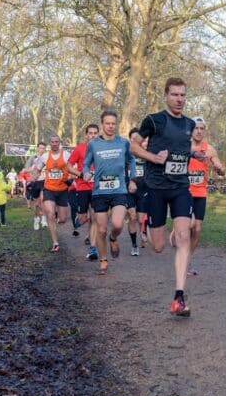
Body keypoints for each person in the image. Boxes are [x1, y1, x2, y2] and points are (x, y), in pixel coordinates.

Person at [131, 77, 197, 317]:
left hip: (180, 187)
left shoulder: (189, 124)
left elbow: (182, 149)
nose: (179, 99)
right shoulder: (153, 120)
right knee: (158, 247)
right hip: (156, 187)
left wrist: (195, 155)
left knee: (184, 236)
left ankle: (179, 296)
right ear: (166, 96)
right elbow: (133, 146)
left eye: (183, 95)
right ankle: (146, 224)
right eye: (175, 95)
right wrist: (153, 158)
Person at [83, 110, 136, 275]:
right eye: (107, 123)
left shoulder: (123, 142)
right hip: (99, 192)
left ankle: (113, 238)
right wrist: (85, 172)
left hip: (119, 190)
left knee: (118, 224)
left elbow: (132, 160)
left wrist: (132, 179)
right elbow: (86, 164)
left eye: (113, 123)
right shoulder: (93, 144)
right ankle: (103, 260)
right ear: (102, 124)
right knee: (101, 230)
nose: (111, 126)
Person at [186, 117, 225, 274]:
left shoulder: (209, 149)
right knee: (190, 225)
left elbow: (220, 168)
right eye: (196, 128)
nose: (199, 131)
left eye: (202, 128)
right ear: (191, 130)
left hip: (200, 193)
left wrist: (219, 168)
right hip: (184, 192)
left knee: (197, 230)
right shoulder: (184, 146)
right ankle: (179, 232)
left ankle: (186, 260)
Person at [30, 135, 71, 252]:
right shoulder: (45, 156)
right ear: (50, 143)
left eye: (56, 142)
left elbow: (72, 168)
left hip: (62, 190)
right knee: (50, 214)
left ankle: (55, 220)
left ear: (59, 142)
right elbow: (37, 169)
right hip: (49, 189)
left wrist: (71, 178)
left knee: (62, 219)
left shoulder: (66, 155)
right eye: (52, 142)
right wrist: (33, 178)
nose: (54, 144)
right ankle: (55, 242)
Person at [68, 124, 100, 260]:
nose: (93, 135)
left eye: (95, 133)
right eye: (90, 133)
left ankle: (93, 249)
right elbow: (69, 165)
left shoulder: (102, 148)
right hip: (83, 188)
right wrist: (80, 174)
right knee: (84, 218)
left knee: (94, 217)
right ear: (86, 135)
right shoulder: (80, 149)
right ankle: (79, 219)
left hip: (97, 188)